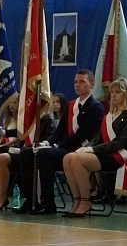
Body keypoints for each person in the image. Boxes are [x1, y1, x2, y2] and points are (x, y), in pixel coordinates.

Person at [60, 77, 127, 217]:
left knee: (79, 161)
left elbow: (119, 143)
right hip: (104, 153)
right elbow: (98, 137)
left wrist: (92, 150)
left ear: (126, 95)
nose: (113, 95)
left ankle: (86, 200)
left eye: (118, 92)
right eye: (112, 92)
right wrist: (87, 147)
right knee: (68, 158)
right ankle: (77, 200)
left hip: (117, 156)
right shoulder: (110, 115)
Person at [29, 71, 103, 215]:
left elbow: (84, 134)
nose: (78, 85)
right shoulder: (71, 106)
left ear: (91, 85)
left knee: (45, 155)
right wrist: (46, 142)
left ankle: (48, 202)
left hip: (81, 149)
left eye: (82, 82)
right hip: (65, 148)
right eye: (76, 82)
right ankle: (30, 200)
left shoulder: (96, 107)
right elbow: (59, 131)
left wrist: (56, 146)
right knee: (29, 152)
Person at [0, 98, 60, 212]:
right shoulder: (30, 119)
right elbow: (21, 132)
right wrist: (4, 132)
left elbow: (47, 140)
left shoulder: (47, 120)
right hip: (23, 151)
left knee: (1, 159)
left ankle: (17, 198)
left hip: (33, 153)